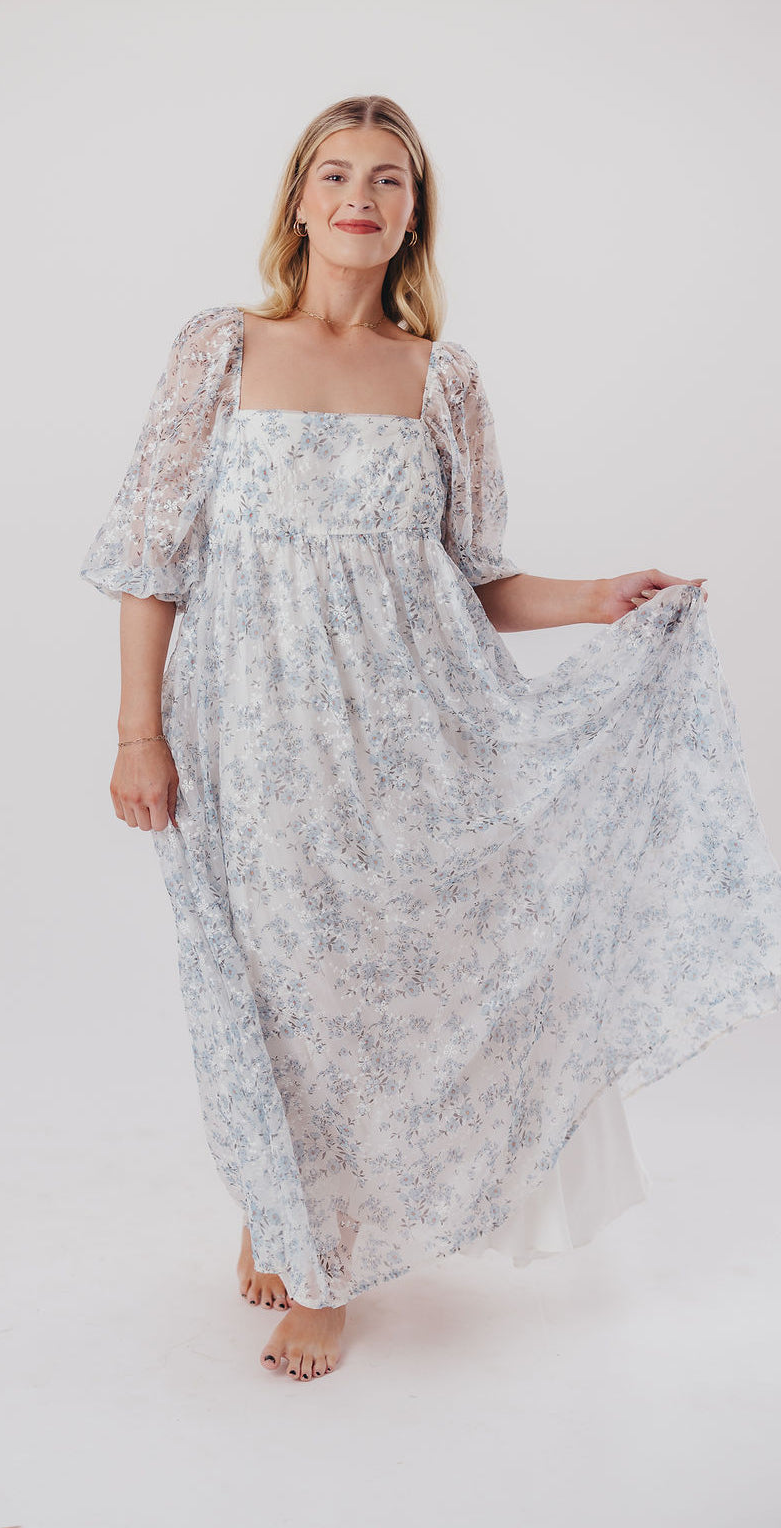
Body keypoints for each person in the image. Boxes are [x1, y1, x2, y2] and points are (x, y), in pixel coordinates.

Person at [79, 95, 781, 1383]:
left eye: (388, 180)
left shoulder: (440, 379)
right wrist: (138, 733)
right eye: (336, 175)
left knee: (368, 984)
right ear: (299, 201)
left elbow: (475, 581)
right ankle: (290, 1209)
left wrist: (600, 598)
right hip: (247, 731)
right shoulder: (220, 349)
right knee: (273, 984)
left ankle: (328, 1255)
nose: (360, 197)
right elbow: (149, 555)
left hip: (411, 733)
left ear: (413, 214)